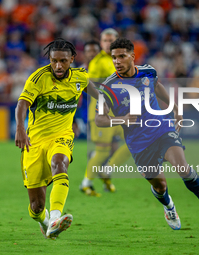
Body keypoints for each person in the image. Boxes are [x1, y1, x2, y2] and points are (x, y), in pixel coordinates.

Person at [95, 37, 199, 230]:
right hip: (138, 143)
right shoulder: (107, 88)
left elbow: (156, 86)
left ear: (132, 56)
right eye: (114, 57)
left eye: (122, 56)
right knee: (160, 186)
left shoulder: (148, 72)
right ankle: (169, 206)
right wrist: (122, 120)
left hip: (162, 129)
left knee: (183, 167)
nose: (117, 61)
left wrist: (174, 107)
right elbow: (100, 119)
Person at [15, 38, 100, 239]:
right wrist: (20, 127)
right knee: (36, 206)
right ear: (49, 59)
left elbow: (99, 94)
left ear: (72, 59)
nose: (58, 66)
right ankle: (45, 221)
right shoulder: (38, 78)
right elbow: (22, 104)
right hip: (34, 143)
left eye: (63, 61)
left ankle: (55, 218)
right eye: (54, 61)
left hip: (62, 136)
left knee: (60, 162)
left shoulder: (80, 77)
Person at [80, 28, 131, 196]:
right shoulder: (98, 62)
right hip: (101, 112)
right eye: (105, 40)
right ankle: (86, 183)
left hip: (119, 112)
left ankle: (107, 170)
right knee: (102, 150)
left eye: (111, 40)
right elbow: (91, 85)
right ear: (100, 43)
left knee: (134, 142)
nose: (108, 43)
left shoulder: (121, 60)